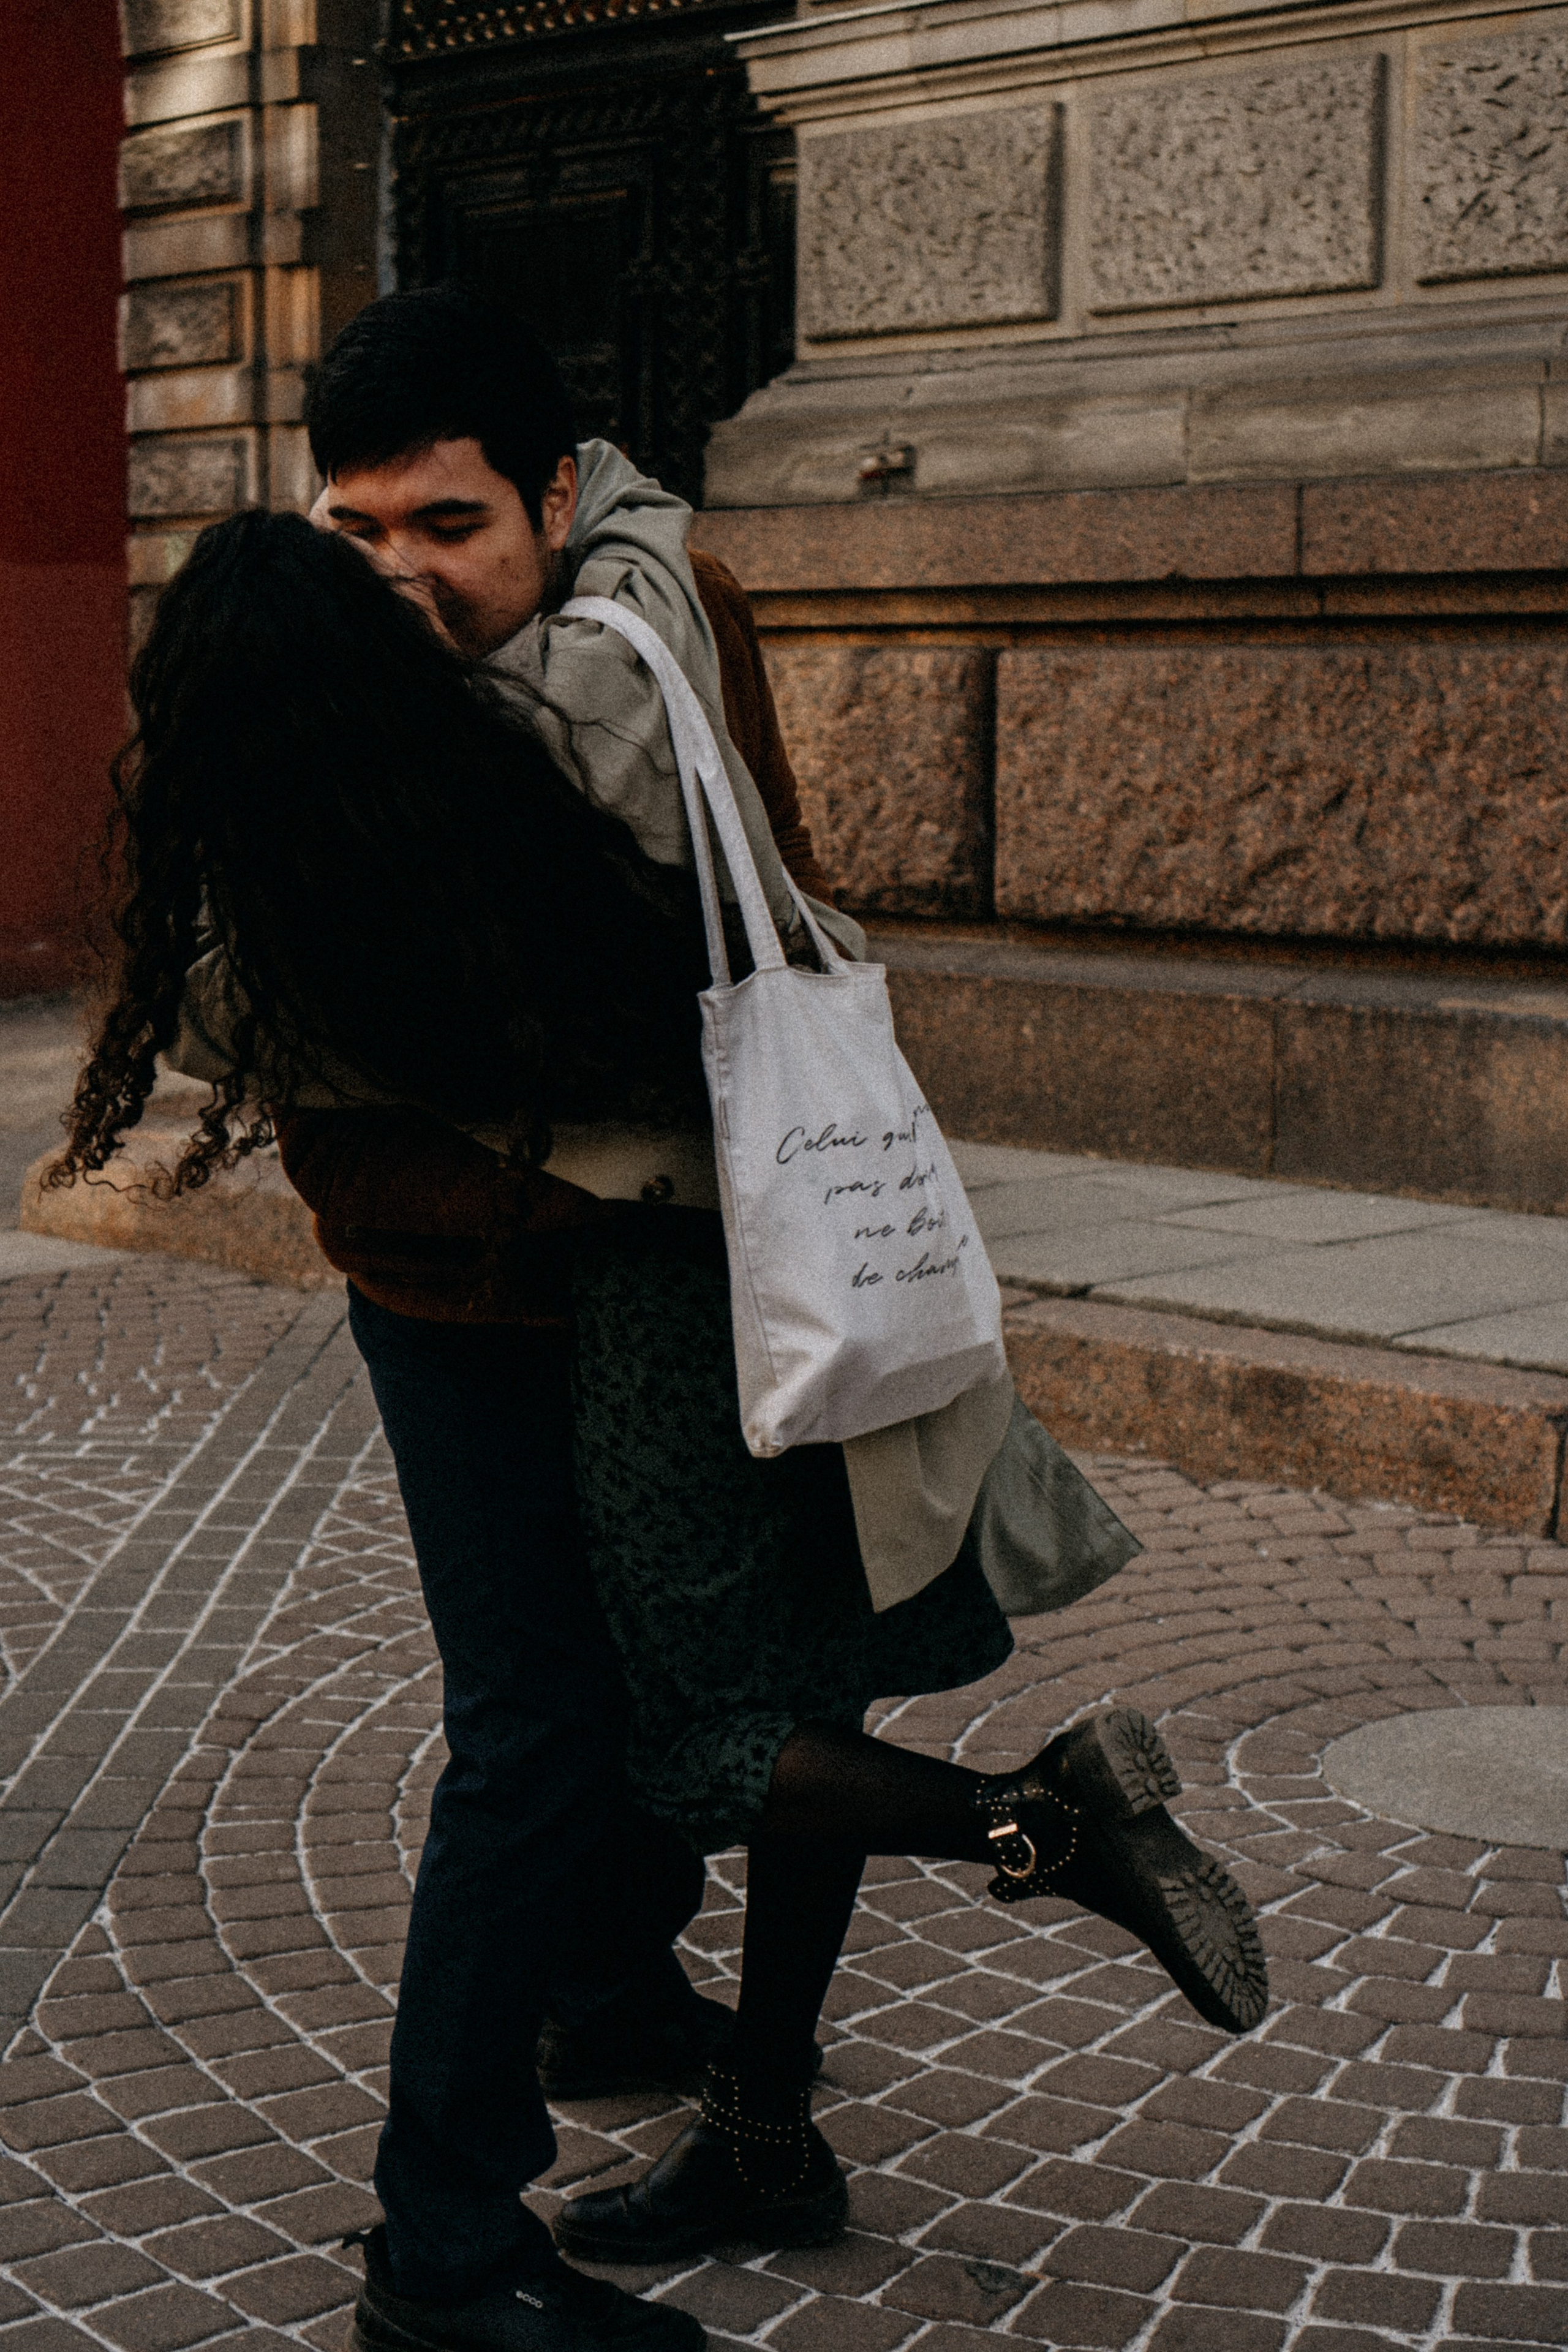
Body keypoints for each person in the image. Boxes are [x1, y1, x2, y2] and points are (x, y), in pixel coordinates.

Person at [50, 293, 1268, 2352]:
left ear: (555, 494)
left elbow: (676, 830)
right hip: (502, 1291)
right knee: (681, 1700)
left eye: (448, 525)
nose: (403, 577)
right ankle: (671, 2044)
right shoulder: (391, 686)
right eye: (358, 534)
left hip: (663, 1267)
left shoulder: (601, 659)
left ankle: (536, 2198)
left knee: (626, 1718)